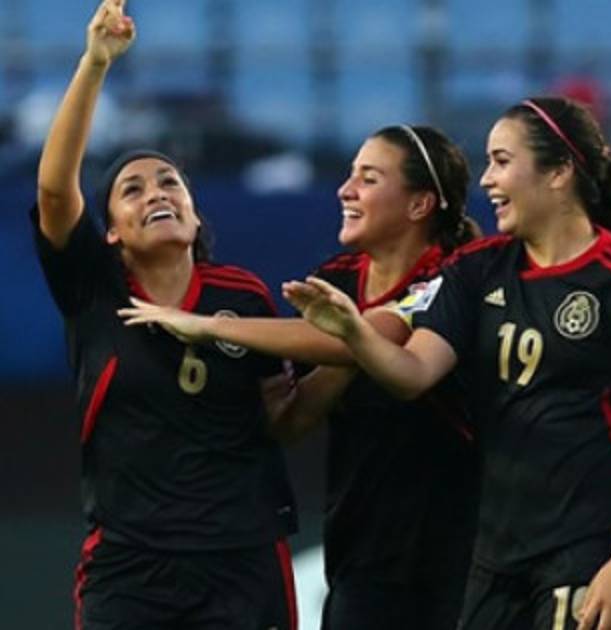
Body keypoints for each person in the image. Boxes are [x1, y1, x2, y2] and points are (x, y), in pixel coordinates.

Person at [284, 96, 611, 630]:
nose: (487, 180)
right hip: (496, 556)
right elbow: (412, 374)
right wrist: (353, 331)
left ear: (559, 172)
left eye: (501, 161)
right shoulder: (477, 270)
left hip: (590, 549)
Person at [118, 125, 480, 629]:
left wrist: (210, 325)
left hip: (460, 551)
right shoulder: (334, 283)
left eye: (369, 179)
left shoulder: (457, 275)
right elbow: (292, 422)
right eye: (351, 175)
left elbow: (373, 335)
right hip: (361, 550)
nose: (345, 190)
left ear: (419, 204)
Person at [34, 1, 297, 627]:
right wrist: (96, 63)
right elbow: (54, 189)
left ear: (196, 216)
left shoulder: (243, 298)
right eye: (133, 189)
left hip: (241, 563)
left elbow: (282, 418)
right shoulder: (94, 290)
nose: (156, 192)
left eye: (170, 183)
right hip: (130, 567)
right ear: (111, 232)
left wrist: (348, 355)